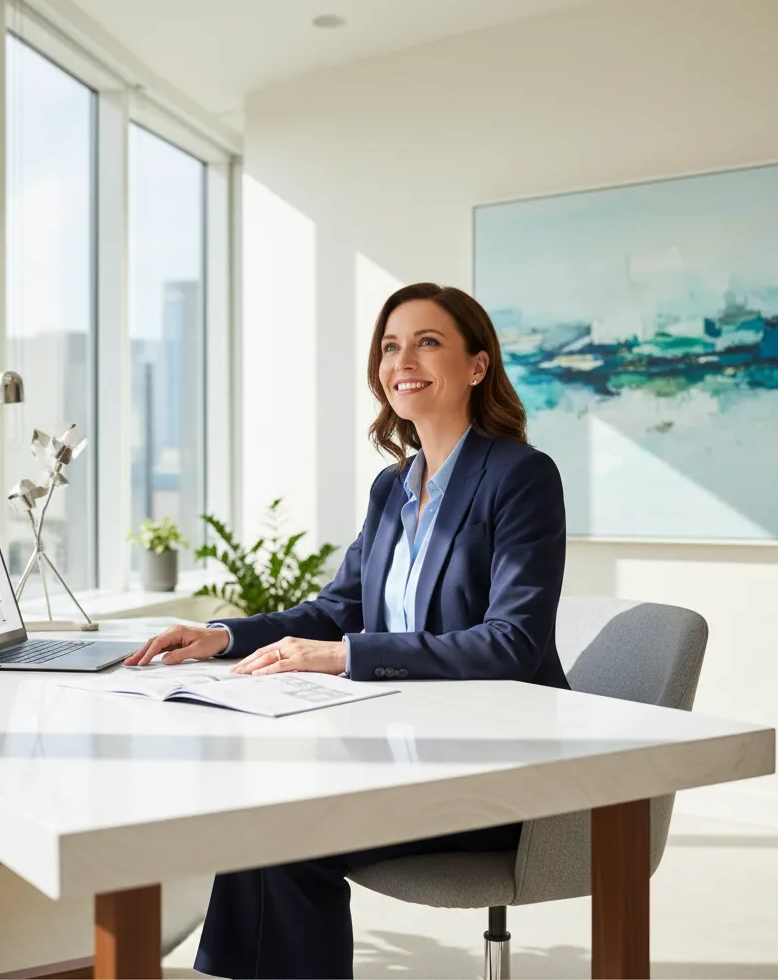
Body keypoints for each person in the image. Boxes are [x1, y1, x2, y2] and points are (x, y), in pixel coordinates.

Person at [124, 281, 568, 979]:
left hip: (495, 770)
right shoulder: (393, 488)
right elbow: (336, 608)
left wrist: (345, 656)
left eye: (427, 341)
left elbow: (513, 642)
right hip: (408, 751)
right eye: (391, 346)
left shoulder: (521, 476)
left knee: (291, 832)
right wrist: (221, 636)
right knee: (257, 809)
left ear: (478, 366)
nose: (402, 361)